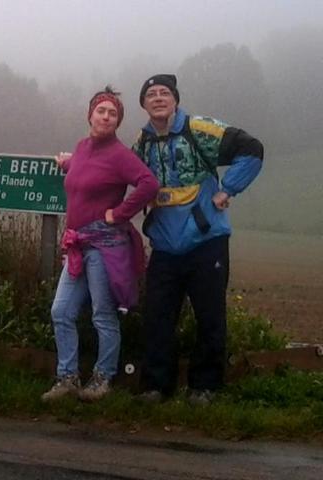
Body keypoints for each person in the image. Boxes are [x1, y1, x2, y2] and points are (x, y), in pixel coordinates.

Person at [132, 74, 263, 405]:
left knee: (210, 315)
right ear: (144, 104)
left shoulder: (200, 129)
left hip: (207, 241)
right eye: (151, 95)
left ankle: (205, 386)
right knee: (158, 317)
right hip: (164, 246)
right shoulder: (142, 144)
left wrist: (227, 188)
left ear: (175, 100)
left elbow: (252, 149)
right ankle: (155, 386)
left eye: (165, 93)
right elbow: (117, 172)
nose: (158, 98)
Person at [41, 87, 159, 402]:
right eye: (101, 111)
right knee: (61, 311)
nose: (106, 117)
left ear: (117, 121)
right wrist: (67, 163)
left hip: (104, 246)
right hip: (77, 245)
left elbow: (149, 183)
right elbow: (84, 174)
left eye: (113, 114)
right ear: (90, 114)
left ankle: (102, 379)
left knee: (102, 315)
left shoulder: (120, 155)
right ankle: (67, 378)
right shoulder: (82, 148)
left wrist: (119, 213)